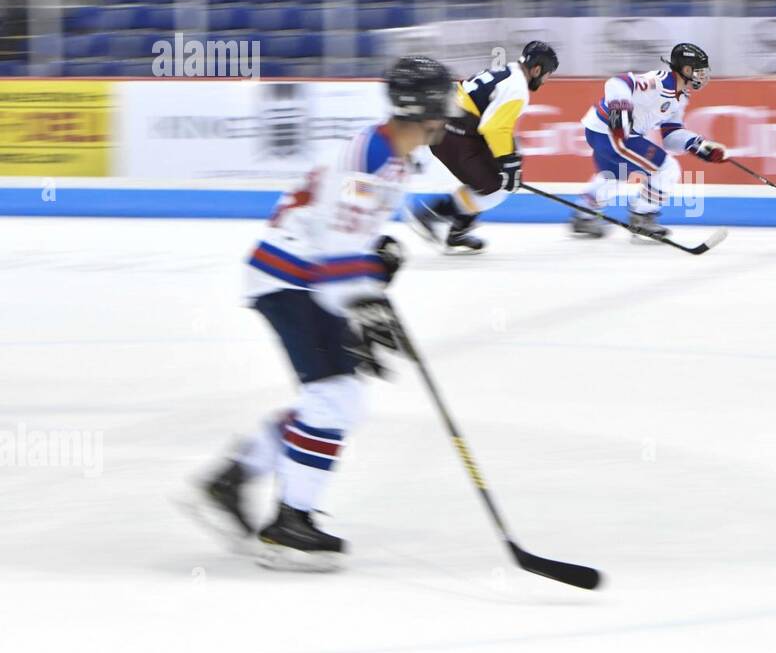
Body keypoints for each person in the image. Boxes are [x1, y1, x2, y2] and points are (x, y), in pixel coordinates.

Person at [189, 57, 454, 570]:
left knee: (340, 401)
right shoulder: (369, 160)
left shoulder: (391, 159)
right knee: (334, 398)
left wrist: (377, 256)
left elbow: (348, 236)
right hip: (289, 277)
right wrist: (366, 307)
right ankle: (291, 524)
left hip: (304, 276)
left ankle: (236, 478)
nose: (446, 116)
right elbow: (337, 255)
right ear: (423, 108)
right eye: (441, 105)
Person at [406, 41, 559, 253]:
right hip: (454, 132)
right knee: (496, 187)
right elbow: (494, 128)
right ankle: (432, 213)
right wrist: (509, 162)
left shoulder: (507, 70)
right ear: (537, 69)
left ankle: (458, 228)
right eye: (547, 75)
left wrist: (509, 160)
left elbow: (490, 122)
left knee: (499, 176)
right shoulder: (518, 89)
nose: (545, 81)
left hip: (450, 127)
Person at [571, 42, 727, 239]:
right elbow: (617, 82)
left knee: (615, 175)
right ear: (685, 69)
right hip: (612, 132)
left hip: (601, 131)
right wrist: (620, 114)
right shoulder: (659, 82)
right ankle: (643, 216)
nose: (703, 76)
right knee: (667, 169)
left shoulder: (681, 98)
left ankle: (584, 214)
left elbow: (671, 135)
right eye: (698, 71)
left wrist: (699, 146)